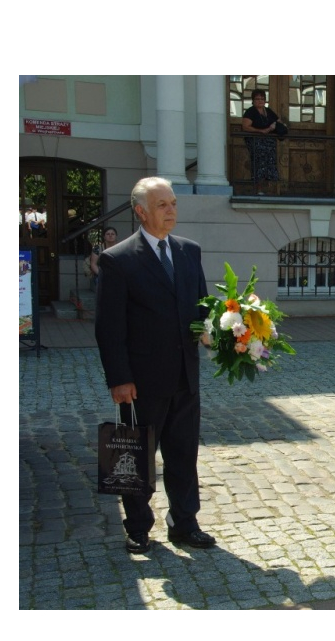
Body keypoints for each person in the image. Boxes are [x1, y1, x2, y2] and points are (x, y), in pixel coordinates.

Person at [95, 177, 215, 554]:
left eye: (173, 203)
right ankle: (138, 526)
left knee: (183, 455)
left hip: (184, 376)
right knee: (136, 455)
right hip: (142, 381)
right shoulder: (119, 260)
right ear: (141, 211)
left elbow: (202, 310)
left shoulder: (189, 251)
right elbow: (109, 327)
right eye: (162, 205)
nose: (171, 211)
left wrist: (229, 333)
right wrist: (119, 379)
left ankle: (184, 523)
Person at [241, 89, 283, 195]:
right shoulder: (251, 111)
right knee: (259, 163)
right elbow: (246, 126)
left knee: (270, 163)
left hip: (269, 142)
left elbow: (278, 121)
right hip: (256, 141)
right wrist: (261, 131)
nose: (260, 101)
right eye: (257, 99)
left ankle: (271, 189)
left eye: (262, 99)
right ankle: (258, 189)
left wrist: (274, 126)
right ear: (253, 100)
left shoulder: (267, 111)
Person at [88, 226, 119, 291]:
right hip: (102, 273)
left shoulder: (122, 247)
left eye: (112, 234)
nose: (110, 236)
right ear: (104, 237)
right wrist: (101, 274)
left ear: (116, 236)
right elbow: (93, 264)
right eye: (108, 234)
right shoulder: (97, 248)